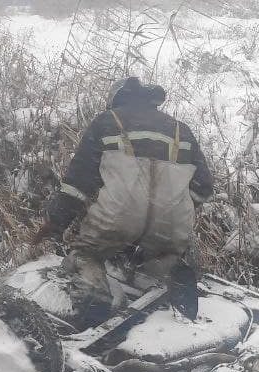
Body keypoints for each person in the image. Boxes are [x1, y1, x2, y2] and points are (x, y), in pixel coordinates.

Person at [32, 77, 214, 320]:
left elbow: (78, 183)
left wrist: (56, 222)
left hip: (119, 216)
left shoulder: (107, 122)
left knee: (86, 255)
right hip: (172, 220)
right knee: (163, 258)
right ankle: (176, 286)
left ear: (116, 98)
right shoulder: (182, 130)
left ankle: (95, 301)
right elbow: (204, 187)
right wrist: (178, 204)